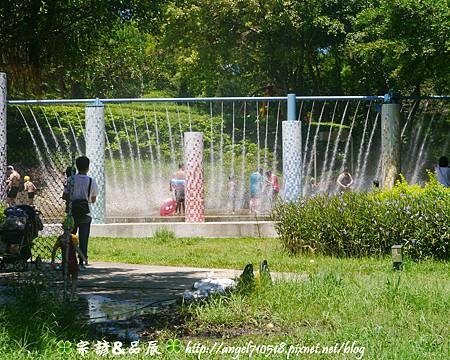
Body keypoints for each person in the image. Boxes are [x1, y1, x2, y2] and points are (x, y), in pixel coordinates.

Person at [64, 156, 98, 268]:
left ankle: (69, 257)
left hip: (71, 212)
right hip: (85, 213)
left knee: (70, 236)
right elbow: (93, 200)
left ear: (77, 167)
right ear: (88, 167)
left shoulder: (70, 179)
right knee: (84, 237)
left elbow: (65, 195)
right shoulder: (91, 181)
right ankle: (83, 259)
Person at [51, 231, 80, 301]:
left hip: (65, 262)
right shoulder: (74, 237)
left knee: (66, 279)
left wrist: (53, 260)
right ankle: (72, 296)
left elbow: (54, 250)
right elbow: (77, 249)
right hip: (73, 261)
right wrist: (84, 258)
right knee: (74, 278)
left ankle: (66, 293)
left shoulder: (60, 238)